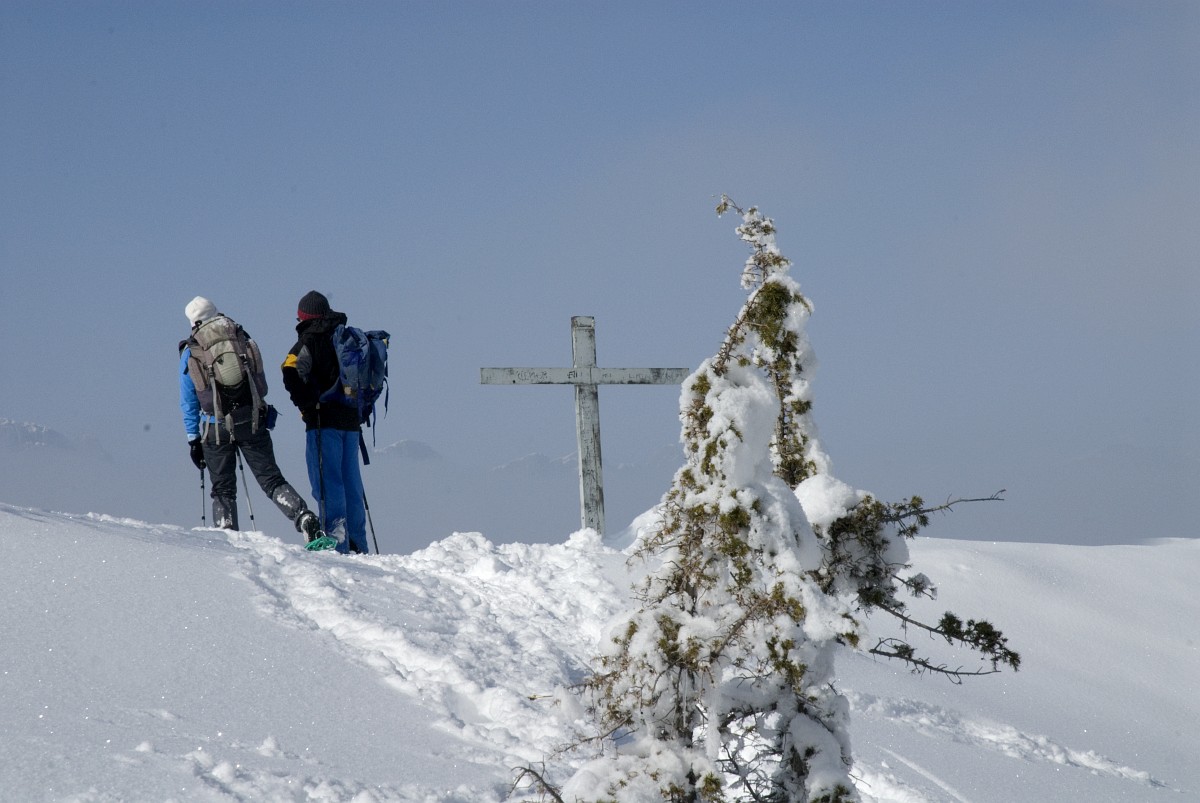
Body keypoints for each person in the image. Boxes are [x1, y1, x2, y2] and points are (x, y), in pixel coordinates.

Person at [179, 296, 324, 543]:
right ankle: (303, 517)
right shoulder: (240, 336)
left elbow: (188, 400)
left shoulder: (192, 350)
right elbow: (258, 380)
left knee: (223, 490)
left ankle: (227, 537)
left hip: (215, 428)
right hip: (251, 420)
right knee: (271, 479)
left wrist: (194, 440)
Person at [281, 291, 369, 555]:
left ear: (304, 316)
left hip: (323, 422)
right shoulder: (345, 335)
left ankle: (336, 542)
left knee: (328, 483)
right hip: (351, 423)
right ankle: (357, 543)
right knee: (351, 483)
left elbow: (289, 371)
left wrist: (307, 407)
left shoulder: (309, 339)